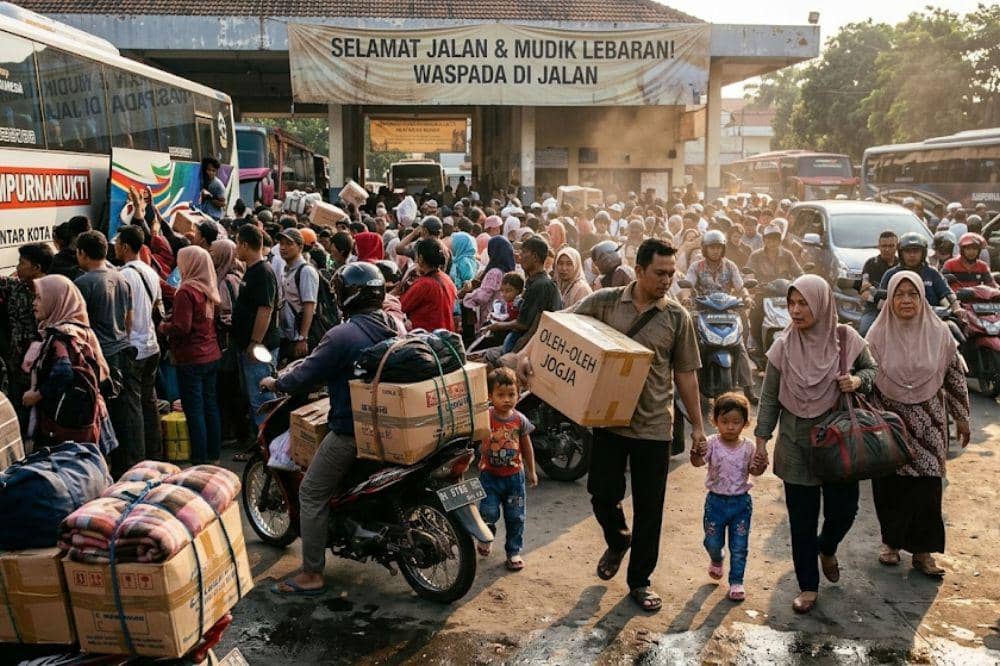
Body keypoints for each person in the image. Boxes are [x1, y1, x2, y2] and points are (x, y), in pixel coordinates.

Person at [518, 239, 705, 612]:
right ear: (639, 270)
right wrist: (527, 354)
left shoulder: (676, 317)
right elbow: (560, 326)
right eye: (660, 273)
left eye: (671, 274)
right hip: (610, 420)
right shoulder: (605, 301)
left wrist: (698, 426)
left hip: (655, 426)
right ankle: (618, 539)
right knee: (602, 493)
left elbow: (686, 374)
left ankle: (640, 581)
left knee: (650, 509)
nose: (667, 280)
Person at [264, 264, 399, 596]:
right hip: (389, 426)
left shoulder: (341, 335)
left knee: (310, 492)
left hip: (351, 432)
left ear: (348, 295)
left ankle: (311, 573)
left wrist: (277, 382)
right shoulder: (393, 323)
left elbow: (307, 373)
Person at [753, 275, 877, 614]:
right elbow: (769, 398)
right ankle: (808, 586)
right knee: (801, 520)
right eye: (791, 303)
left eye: (803, 303)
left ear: (821, 304)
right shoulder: (782, 346)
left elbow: (873, 371)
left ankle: (827, 546)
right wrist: (761, 442)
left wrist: (856, 380)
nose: (795, 310)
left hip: (838, 443)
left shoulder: (846, 339)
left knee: (845, 510)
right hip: (795, 443)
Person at [867, 271, 970, 577]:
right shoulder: (876, 335)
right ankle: (891, 543)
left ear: (923, 299)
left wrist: (962, 418)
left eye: (913, 294)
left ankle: (923, 552)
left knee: (927, 488)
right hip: (889, 424)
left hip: (930, 424)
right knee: (890, 486)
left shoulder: (940, 334)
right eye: (899, 294)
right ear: (890, 299)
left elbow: (955, 377)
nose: (906, 300)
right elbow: (865, 378)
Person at [74, 230, 142, 478]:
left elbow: (81, 326)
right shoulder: (120, 277)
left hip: (102, 357)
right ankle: (132, 464)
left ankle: (111, 469)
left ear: (83, 253)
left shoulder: (83, 284)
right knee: (128, 412)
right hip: (123, 350)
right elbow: (128, 319)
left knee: (106, 415)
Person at [690, 392, 766, 602]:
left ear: (745, 423)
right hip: (715, 503)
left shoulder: (749, 447)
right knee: (712, 542)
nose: (730, 427)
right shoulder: (711, 443)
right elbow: (698, 463)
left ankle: (736, 582)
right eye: (725, 422)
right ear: (715, 421)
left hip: (741, 504)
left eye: (736, 422)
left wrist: (760, 465)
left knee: (739, 546)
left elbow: (754, 470)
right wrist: (695, 453)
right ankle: (717, 558)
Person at [25, 275, 114, 452]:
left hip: (64, 423)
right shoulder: (81, 329)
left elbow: (63, 371)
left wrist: (37, 395)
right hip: (87, 417)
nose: (34, 303)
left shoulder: (61, 336)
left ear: (56, 300)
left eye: (40, 298)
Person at [160, 246, 223, 464]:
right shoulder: (208, 288)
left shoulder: (186, 291)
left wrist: (163, 327)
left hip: (192, 358)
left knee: (194, 410)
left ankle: (199, 459)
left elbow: (182, 327)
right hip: (211, 354)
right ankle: (213, 455)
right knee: (210, 406)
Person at [476, 367, 538, 571]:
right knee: (488, 512)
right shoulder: (486, 417)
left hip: (514, 480)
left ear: (518, 394)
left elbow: (527, 447)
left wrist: (531, 470)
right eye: (500, 395)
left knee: (516, 517)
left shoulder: (519, 420)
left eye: (511, 394)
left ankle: (513, 551)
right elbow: (474, 438)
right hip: (490, 478)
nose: (506, 400)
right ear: (490, 396)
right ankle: (486, 536)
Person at [114, 226, 163, 461]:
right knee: (149, 402)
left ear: (125, 247)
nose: (114, 247)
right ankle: (155, 454)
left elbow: (126, 315)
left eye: (117, 243)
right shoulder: (149, 271)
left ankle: (138, 459)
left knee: (133, 407)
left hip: (134, 347)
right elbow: (156, 306)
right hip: (151, 344)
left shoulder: (123, 276)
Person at [231, 225, 280, 460]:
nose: (235, 249)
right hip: (250, 347)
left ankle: (269, 453)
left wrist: (255, 342)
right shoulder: (251, 270)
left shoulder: (263, 272)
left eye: (237, 243)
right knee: (254, 398)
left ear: (245, 244)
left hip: (260, 348)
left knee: (262, 400)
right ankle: (262, 448)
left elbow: (265, 310)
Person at [0, 243, 51, 437]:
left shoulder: (54, 291)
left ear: (37, 267)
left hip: (43, 363)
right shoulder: (16, 286)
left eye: (22, 263)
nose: (17, 267)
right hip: (18, 362)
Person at [487, 236, 560, 359]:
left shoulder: (540, 285)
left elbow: (524, 324)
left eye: (524, 252)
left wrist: (498, 326)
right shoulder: (538, 281)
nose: (520, 256)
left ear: (535, 257)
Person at [880, 233, 959, 315]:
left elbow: (948, 295)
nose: (912, 255)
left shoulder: (932, 273)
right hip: (898, 318)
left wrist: (957, 309)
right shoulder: (891, 274)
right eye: (907, 251)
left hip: (933, 317)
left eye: (916, 251)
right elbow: (881, 304)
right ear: (901, 253)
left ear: (923, 253)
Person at [277, 228, 319, 362]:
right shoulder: (286, 269)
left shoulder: (306, 271)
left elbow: (309, 306)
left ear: (300, 247)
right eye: (281, 243)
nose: (283, 248)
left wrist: (303, 338)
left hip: (298, 339)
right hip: (286, 335)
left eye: (289, 244)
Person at [400, 238, 457, 332]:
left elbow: (401, 307)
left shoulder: (424, 284)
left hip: (427, 336)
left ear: (421, 258)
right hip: (446, 334)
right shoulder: (447, 279)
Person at [463, 236, 516, 329]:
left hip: (489, 317)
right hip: (502, 316)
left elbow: (482, 297)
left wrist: (467, 296)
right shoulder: (511, 271)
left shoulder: (494, 272)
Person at [858, 231, 899, 336]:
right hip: (874, 309)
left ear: (897, 247)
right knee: (864, 332)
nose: (887, 249)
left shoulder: (902, 265)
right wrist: (882, 301)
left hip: (898, 309)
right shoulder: (870, 264)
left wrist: (874, 292)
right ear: (879, 247)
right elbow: (864, 293)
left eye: (891, 246)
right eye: (884, 246)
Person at [195, 157, 227, 221]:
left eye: (213, 171)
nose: (211, 172)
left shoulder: (218, 185)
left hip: (213, 217)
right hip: (204, 214)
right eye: (209, 170)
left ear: (216, 171)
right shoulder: (203, 180)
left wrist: (210, 197)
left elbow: (223, 203)